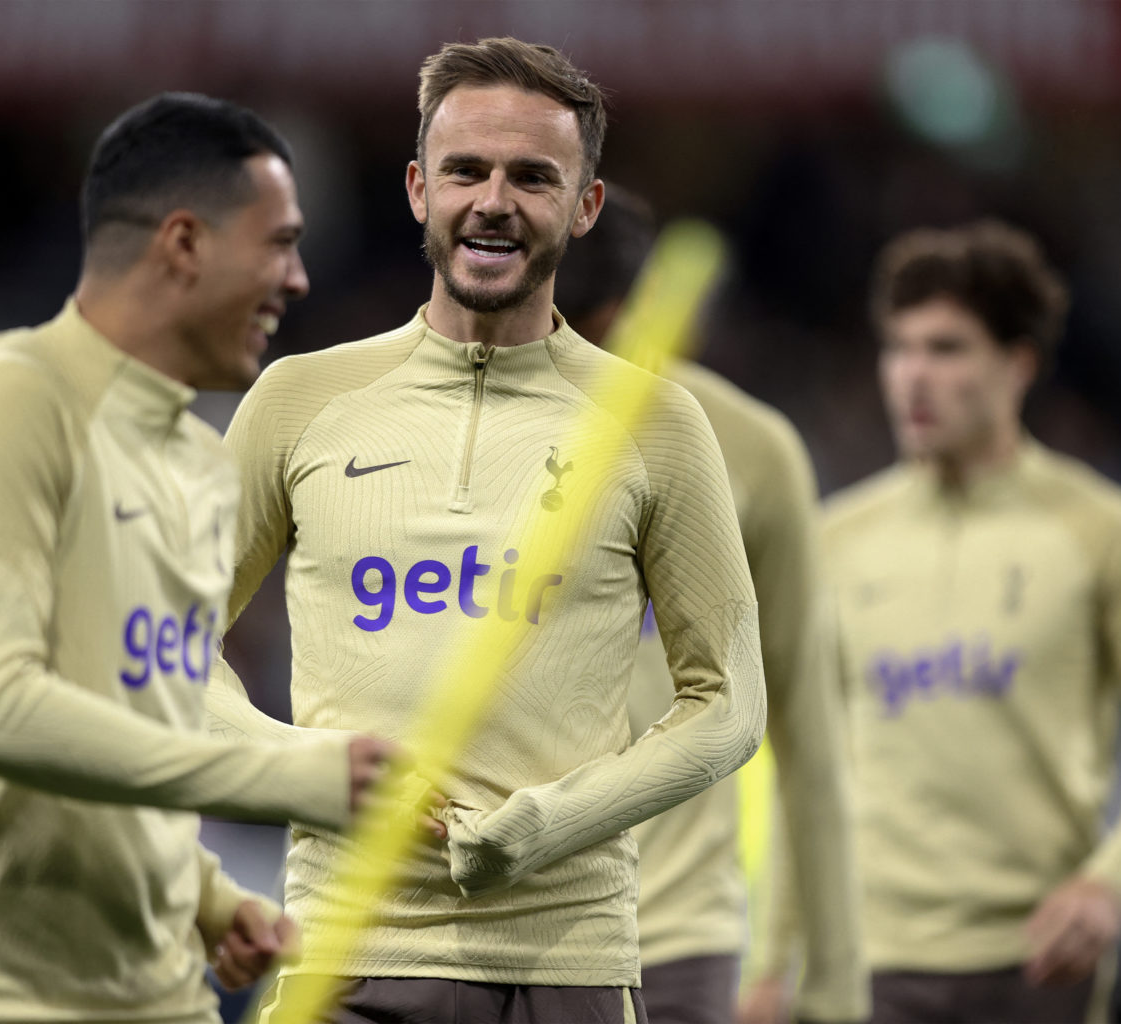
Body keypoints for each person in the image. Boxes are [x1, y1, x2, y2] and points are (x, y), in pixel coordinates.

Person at [212, 38, 765, 1024]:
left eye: (532, 177)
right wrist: (311, 770)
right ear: (420, 189)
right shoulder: (299, 400)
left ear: (585, 206)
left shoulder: (658, 424)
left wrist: (548, 826)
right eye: (466, 170)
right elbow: (161, 653)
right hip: (348, 956)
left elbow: (726, 702)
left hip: (571, 965)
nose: (494, 200)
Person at [0, 92, 395, 1024]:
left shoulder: (205, 471)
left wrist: (208, 897)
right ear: (182, 244)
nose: (297, 281)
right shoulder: (9, 404)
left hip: (151, 995)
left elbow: (125, 742)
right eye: (278, 243)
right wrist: (289, 776)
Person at [824, 220, 1121, 1023]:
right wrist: (773, 951)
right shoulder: (834, 541)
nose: (913, 377)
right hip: (870, 960)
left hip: (1040, 962)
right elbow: (796, 763)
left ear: (1017, 366)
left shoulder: (1101, 531)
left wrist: (1112, 879)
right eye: (899, 349)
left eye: (946, 349)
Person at [556, 186, 869, 1024]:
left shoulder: (751, 455)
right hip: (484, 939)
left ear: (625, 315)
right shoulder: (454, 434)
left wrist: (825, 983)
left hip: (674, 945)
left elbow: (813, 729)